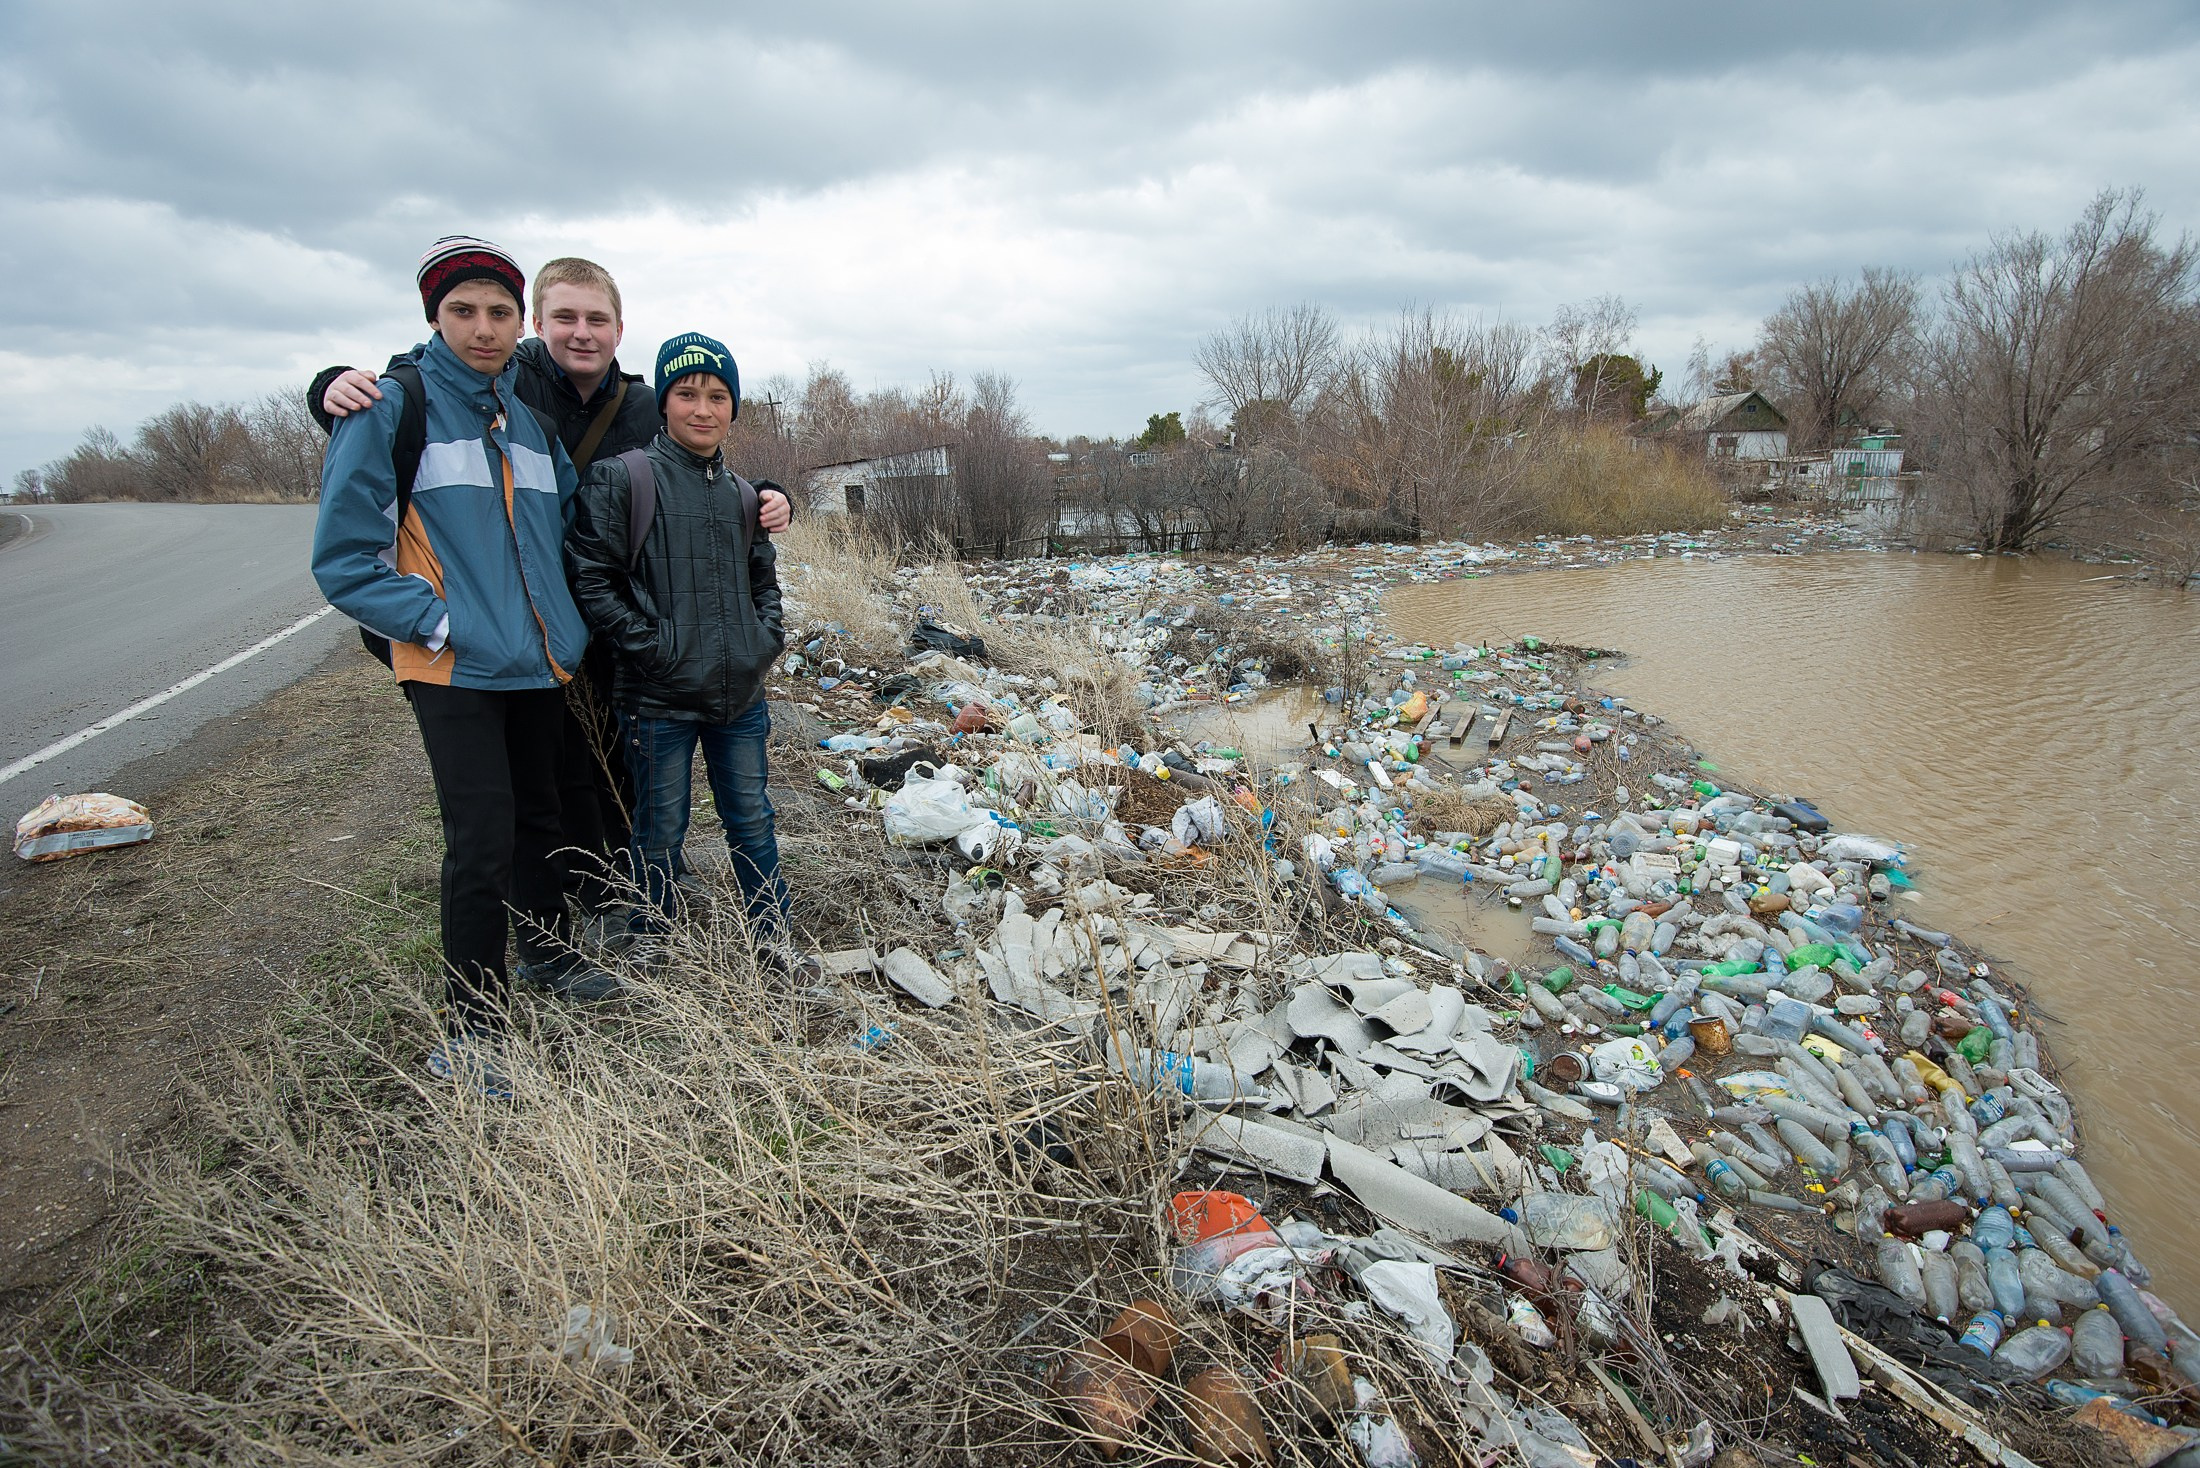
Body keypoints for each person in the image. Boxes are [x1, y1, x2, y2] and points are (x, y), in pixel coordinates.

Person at [310, 261, 792, 941]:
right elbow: (421, 385)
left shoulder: (633, 406)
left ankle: (595, 901)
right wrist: (330, 386)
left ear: (619, 330)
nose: (582, 333)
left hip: (571, 637)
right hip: (494, 637)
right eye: (565, 317)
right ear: (539, 324)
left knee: (594, 774)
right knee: (504, 812)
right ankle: (545, 941)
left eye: (597, 320)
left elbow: (708, 480)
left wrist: (769, 501)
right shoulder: (513, 378)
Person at [310, 236, 618, 1096]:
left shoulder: (525, 420)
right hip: (453, 667)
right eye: (463, 311)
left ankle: (549, 956)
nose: (484, 329)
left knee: (539, 816)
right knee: (479, 839)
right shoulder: (387, 408)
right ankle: (474, 1028)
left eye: (499, 312)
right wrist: (441, 625)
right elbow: (344, 561)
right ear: (433, 317)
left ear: (519, 323)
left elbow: (568, 536)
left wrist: (568, 627)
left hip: (538, 662)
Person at [566, 332, 795, 957]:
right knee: (661, 830)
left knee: (752, 820)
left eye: (718, 396)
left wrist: (762, 642)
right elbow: (592, 578)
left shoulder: (744, 494)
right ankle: (657, 937)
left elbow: (762, 579)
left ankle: (772, 939)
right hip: (656, 697)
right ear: (664, 402)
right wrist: (655, 651)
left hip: (738, 696)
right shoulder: (624, 478)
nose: (703, 408)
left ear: (733, 408)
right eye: (687, 393)